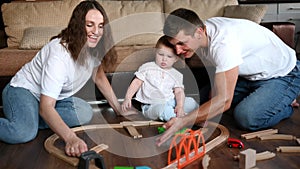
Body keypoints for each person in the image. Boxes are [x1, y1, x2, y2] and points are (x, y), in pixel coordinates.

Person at [0, 0, 130, 157]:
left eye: (101, 26)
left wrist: (119, 109)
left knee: (85, 112)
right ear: (78, 26)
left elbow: (99, 77)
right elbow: (47, 106)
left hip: (54, 99)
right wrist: (71, 138)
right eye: (90, 25)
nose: (96, 31)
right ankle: (30, 122)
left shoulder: (92, 47)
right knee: (23, 133)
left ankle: (33, 118)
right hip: (23, 91)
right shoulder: (59, 55)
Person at [156, 8, 300, 146]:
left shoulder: (223, 44)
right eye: (174, 45)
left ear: (199, 32)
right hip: (250, 76)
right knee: (202, 101)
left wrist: (184, 121)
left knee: (246, 117)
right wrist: (207, 108)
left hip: (284, 74)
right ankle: (271, 98)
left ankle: (285, 103)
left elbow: (224, 101)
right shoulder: (204, 32)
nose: (178, 51)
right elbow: (218, 74)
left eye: (181, 43)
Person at [121, 35, 198, 121]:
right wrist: (128, 98)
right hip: (151, 105)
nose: (164, 59)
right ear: (155, 52)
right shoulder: (147, 67)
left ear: (176, 58)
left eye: (169, 56)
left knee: (191, 102)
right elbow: (136, 82)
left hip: (170, 101)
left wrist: (179, 106)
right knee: (163, 110)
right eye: (161, 54)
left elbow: (179, 92)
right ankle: (185, 119)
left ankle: (196, 116)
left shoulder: (176, 74)